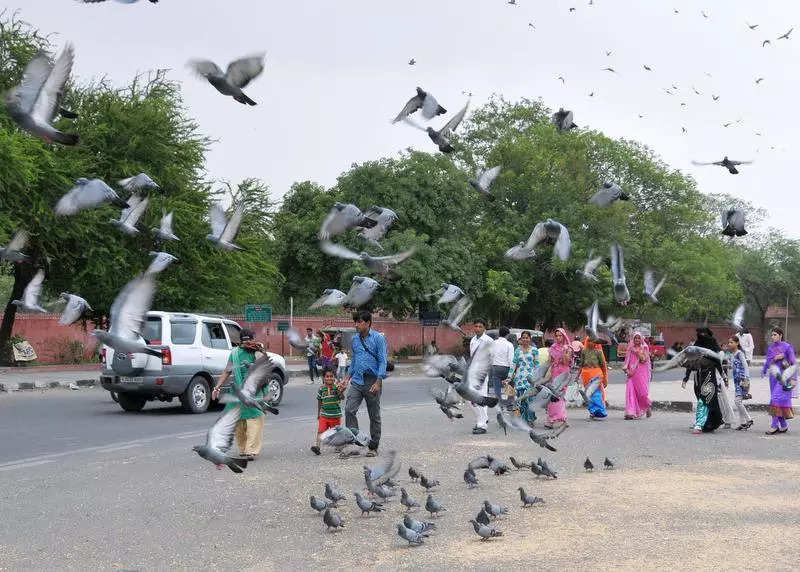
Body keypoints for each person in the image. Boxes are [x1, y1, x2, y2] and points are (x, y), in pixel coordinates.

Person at [211, 328, 268, 461]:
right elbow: (227, 371)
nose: (248, 343)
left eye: (250, 340)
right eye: (246, 341)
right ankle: (243, 449)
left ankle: (251, 450)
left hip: (255, 392)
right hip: (237, 392)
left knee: (254, 421)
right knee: (239, 422)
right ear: (241, 341)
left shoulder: (257, 352)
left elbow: (265, 367)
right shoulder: (235, 353)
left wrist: (260, 351)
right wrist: (217, 387)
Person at [344, 310, 387, 456]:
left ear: (368, 323)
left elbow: (382, 361)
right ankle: (355, 443)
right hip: (357, 379)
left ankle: (373, 447)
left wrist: (378, 381)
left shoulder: (378, 339)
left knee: (373, 415)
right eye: (355, 321)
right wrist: (346, 378)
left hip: (372, 380)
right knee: (349, 410)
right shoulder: (355, 340)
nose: (356, 324)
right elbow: (354, 360)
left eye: (359, 322)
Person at [683, 327, 725, 434]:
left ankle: (699, 425)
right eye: (699, 333)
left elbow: (718, 363)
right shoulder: (696, 345)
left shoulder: (713, 346)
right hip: (698, 377)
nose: (701, 335)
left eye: (703, 333)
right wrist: (686, 378)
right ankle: (708, 422)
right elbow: (690, 362)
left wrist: (723, 377)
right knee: (701, 399)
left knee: (705, 399)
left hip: (710, 377)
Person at [762, 326, 796, 435]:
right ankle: (784, 425)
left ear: (780, 335)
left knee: (775, 398)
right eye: (772, 335)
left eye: (775, 335)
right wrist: (774, 359)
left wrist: (794, 378)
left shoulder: (787, 347)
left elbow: (793, 363)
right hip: (773, 377)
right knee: (776, 400)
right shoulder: (771, 348)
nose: (773, 337)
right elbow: (767, 363)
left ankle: (774, 425)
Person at [505, 331, 539, 426]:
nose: (525, 339)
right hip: (519, 379)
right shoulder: (517, 351)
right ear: (520, 339)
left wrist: (538, 378)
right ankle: (523, 419)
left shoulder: (534, 350)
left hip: (530, 379)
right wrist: (509, 377)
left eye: (527, 337)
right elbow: (513, 365)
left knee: (530, 399)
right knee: (521, 400)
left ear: (530, 339)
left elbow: (537, 365)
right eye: (523, 338)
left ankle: (530, 419)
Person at [310, 368, 346, 455]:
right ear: (323, 378)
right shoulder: (321, 389)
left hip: (335, 415)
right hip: (324, 415)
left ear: (334, 378)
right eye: (327, 376)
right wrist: (319, 414)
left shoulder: (337, 387)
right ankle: (317, 447)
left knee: (336, 433)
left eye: (331, 376)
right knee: (320, 431)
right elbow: (319, 401)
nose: (329, 378)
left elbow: (342, 397)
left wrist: (341, 391)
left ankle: (339, 446)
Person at [543, 328, 572, 429]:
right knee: (554, 395)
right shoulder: (553, 347)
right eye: (557, 336)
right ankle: (552, 419)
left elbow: (566, 362)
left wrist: (564, 351)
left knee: (561, 395)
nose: (558, 337)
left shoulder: (568, 348)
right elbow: (549, 361)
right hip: (555, 372)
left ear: (564, 336)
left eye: (560, 335)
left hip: (564, 372)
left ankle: (562, 418)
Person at [469, 318, 494, 435]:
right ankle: (482, 419)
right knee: (471, 399)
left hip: (482, 374)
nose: (478, 328)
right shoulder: (473, 340)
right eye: (476, 326)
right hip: (473, 373)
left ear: (484, 328)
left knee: (480, 398)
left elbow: (491, 359)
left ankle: (482, 425)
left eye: (480, 326)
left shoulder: (488, 340)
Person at [727, 336, 753, 430]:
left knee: (737, 401)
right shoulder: (732, 354)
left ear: (737, 343)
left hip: (742, 380)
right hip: (737, 381)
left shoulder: (739, 353)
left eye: (731, 342)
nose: (729, 344)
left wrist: (746, 378)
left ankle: (749, 419)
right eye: (729, 342)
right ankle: (742, 423)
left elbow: (746, 365)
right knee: (739, 401)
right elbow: (733, 366)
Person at [624, 332, 652, 420]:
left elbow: (644, 359)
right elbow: (626, 362)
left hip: (641, 373)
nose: (637, 340)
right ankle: (630, 412)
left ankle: (647, 406)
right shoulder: (629, 348)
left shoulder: (645, 347)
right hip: (631, 374)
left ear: (641, 339)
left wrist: (637, 352)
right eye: (635, 338)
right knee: (630, 392)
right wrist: (627, 371)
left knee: (642, 393)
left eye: (638, 338)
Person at [581, 337, 608, 420]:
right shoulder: (584, 351)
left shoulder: (598, 352)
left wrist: (605, 379)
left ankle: (600, 412)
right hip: (586, 375)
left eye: (593, 341)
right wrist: (577, 376)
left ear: (596, 342)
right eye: (589, 341)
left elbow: (603, 366)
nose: (591, 343)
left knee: (596, 394)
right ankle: (593, 412)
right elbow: (581, 364)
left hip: (596, 374)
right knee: (588, 394)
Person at [490, 326, 515, 403]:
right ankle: (509, 403)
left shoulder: (493, 343)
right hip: (506, 368)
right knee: (510, 384)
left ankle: (499, 403)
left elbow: (490, 355)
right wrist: (512, 371)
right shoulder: (509, 344)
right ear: (507, 335)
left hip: (495, 367)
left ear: (499, 334)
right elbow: (511, 359)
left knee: (496, 387)